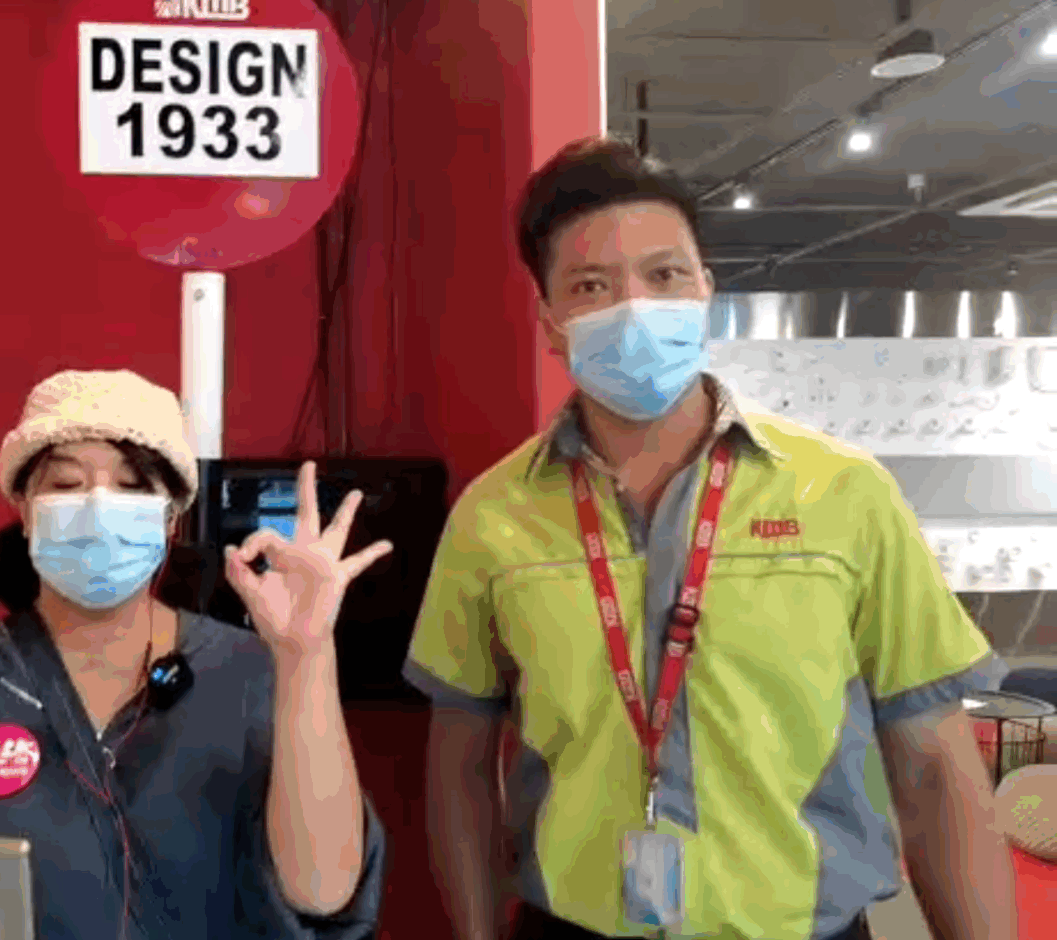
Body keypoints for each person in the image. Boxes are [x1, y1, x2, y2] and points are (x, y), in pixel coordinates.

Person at [405, 138, 1015, 940]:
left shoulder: (845, 494)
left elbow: (934, 766)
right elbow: (459, 771)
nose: (635, 307)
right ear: (550, 323)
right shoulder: (492, 518)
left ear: (704, 292)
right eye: (592, 285)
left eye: (664, 275)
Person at [0, 368, 391, 940]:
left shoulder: (250, 673)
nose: (99, 506)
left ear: (171, 519)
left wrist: (306, 654)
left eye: (132, 486)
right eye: (66, 485)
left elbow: (323, 892)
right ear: (25, 511)